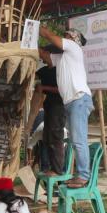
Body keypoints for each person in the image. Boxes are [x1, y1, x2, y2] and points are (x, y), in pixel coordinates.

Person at [39, 25, 93, 188]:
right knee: (74, 140)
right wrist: (30, 41)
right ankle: (80, 174)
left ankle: (83, 176)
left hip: (78, 100)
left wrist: (41, 30)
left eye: (66, 35)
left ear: (73, 38)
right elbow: (45, 56)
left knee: (78, 140)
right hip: (72, 102)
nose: (63, 37)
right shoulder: (63, 58)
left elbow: (49, 36)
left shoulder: (74, 47)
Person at [36, 44, 66, 176]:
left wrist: (44, 88)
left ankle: (58, 170)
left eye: (42, 53)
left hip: (58, 106)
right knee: (47, 137)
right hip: (49, 106)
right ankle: (47, 168)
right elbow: (33, 77)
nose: (40, 56)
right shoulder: (43, 71)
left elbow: (62, 90)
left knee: (55, 137)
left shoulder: (61, 70)